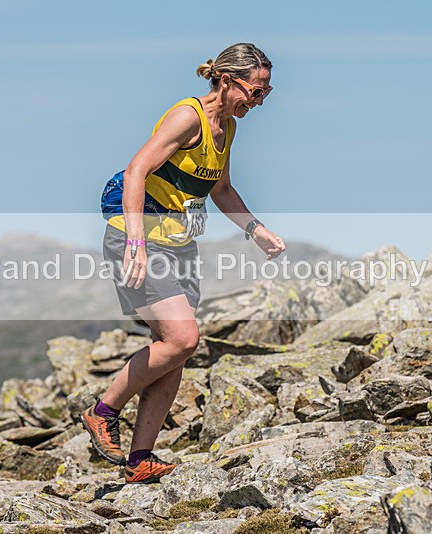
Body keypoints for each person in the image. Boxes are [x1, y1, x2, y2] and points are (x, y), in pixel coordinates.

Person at [82, 42, 286, 484]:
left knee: (172, 350)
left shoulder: (227, 127)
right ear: (229, 81)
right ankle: (102, 412)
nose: (260, 100)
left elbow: (223, 190)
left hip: (177, 244)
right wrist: (135, 242)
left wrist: (256, 230)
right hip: (137, 238)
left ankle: (140, 460)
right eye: (255, 90)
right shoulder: (188, 117)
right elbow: (136, 170)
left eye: (266, 93)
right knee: (182, 338)